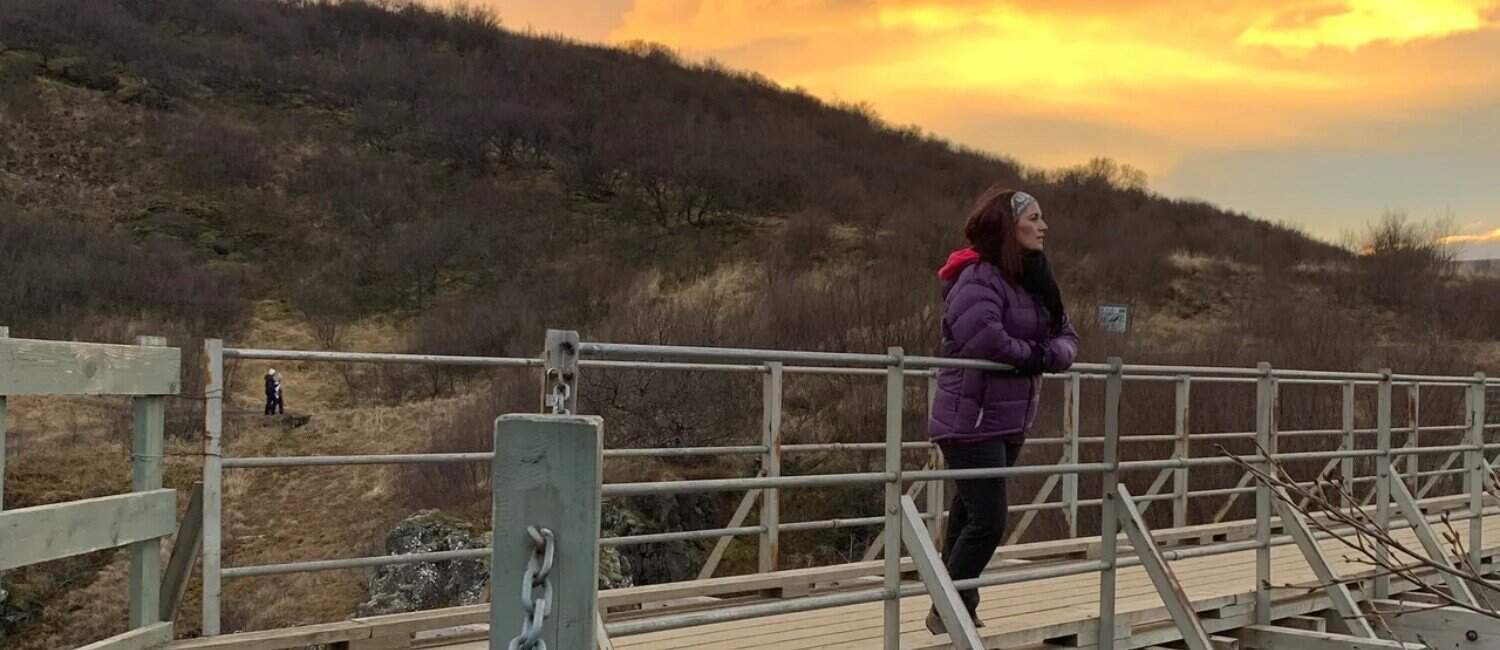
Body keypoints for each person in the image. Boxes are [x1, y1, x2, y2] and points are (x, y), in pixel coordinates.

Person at [926, 186, 1079, 634]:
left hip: (1009, 418)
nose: (1043, 226)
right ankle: (949, 606)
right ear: (1008, 226)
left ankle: (956, 607)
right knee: (989, 520)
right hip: (969, 418)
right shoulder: (977, 278)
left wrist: (1044, 355)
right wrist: (1036, 355)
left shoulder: (1033, 279)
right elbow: (985, 338)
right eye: (1034, 218)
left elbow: (1067, 336)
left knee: (969, 513)